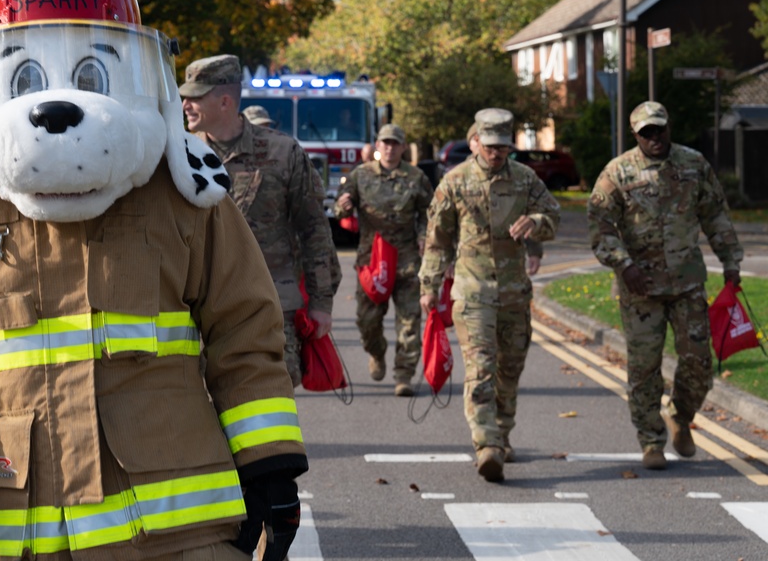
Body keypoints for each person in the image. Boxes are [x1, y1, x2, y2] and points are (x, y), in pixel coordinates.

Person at [0, 0, 306, 561]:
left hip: (175, 533)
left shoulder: (182, 194)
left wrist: (270, 466)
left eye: (92, 71)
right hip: (4, 529)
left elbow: (245, 328)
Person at [587, 101, 744, 471]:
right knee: (644, 367)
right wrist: (624, 266)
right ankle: (651, 440)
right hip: (640, 288)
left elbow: (715, 214)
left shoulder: (693, 164)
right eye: (646, 133)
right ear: (636, 135)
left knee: (698, 362)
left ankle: (680, 414)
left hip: (687, 282)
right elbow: (600, 227)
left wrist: (731, 261)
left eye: (659, 130)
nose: (655, 138)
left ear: (668, 128)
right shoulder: (617, 172)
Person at [182, 54, 341, 388]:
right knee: (201, 405)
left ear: (224, 101)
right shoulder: (180, 154)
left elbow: (314, 230)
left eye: (195, 97)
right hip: (195, 308)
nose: (185, 104)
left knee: (270, 403)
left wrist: (321, 303)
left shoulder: (282, 152)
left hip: (270, 305)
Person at [419, 108, 560, 482]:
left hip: (514, 293)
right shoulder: (455, 182)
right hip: (473, 292)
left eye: (503, 146)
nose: (497, 153)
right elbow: (437, 241)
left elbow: (553, 217)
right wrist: (429, 286)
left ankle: (501, 433)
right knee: (481, 370)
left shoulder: (526, 179)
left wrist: (538, 223)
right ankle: (486, 445)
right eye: (490, 145)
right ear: (475, 141)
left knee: (509, 370)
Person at [334, 124, 433, 396]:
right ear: (377, 146)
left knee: (409, 321)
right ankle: (376, 353)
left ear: (403, 147)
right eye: (385, 143)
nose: (389, 148)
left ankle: (404, 375)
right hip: (372, 259)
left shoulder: (416, 178)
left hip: (407, 258)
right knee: (367, 321)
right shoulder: (360, 175)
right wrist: (342, 206)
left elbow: (429, 212)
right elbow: (339, 206)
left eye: (395, 143)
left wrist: (425, 236)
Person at [466, 123, 543, 276]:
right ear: (472, 143)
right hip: (469, 271)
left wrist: (534, 251)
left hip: (508, 269)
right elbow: (443, 228)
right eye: (478, 141)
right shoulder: (457, 179)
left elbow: (528, 214)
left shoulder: (518, 177)